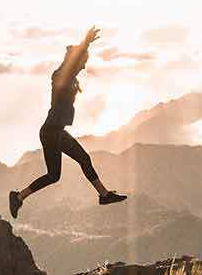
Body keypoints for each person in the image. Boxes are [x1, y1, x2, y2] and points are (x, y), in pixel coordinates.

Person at [9, 26, 127, 217]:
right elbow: (71, 66)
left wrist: (84, 48)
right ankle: (18, 197)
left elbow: (73, 67)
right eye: (82, 63)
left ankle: (103, 195)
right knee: (55, 174)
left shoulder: (68, 77)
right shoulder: (61, 76)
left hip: (56, 131)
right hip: (51, 132)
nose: (83, 67)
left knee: (81, 161)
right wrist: (85, 42)